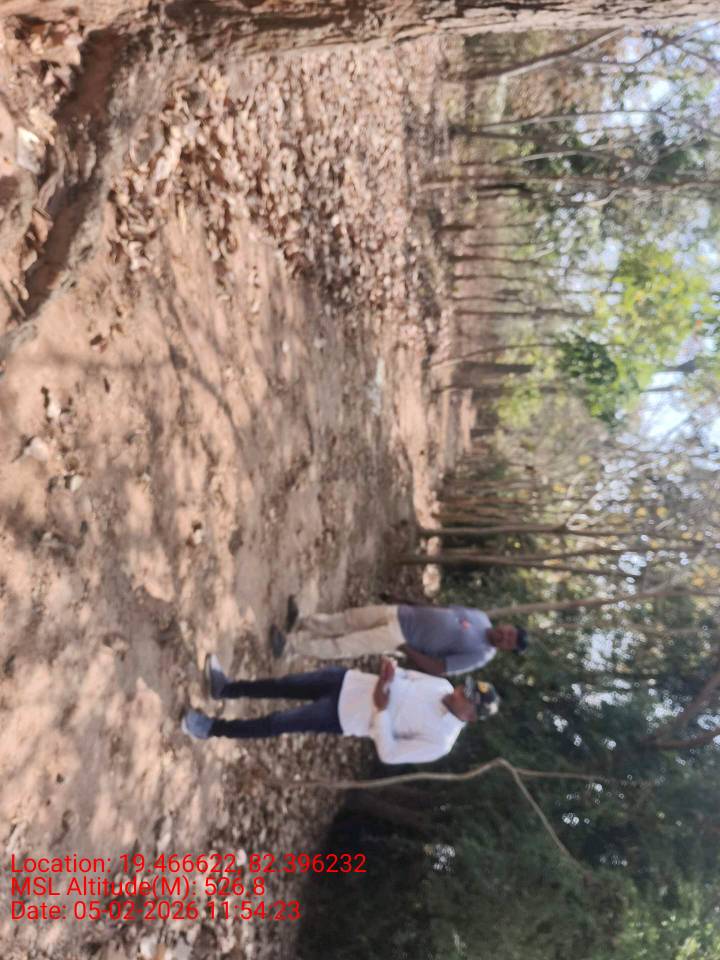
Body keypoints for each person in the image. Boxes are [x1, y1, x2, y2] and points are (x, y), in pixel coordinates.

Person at [181, 654, 500, 765]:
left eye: (468, 697)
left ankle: (211, 728)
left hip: (344, 715)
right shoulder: (442, 685)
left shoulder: (441, 742)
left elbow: (390, 754)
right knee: (282, 684)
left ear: (471, 716)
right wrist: (390, 670)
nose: (460, 691)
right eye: (466, 687)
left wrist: (382, 710)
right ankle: (226, 688)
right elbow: (405, 675)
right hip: (348, 681)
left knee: (277, 722)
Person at [270, 599, 528, 676]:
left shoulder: (480, 655)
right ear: (508, 626)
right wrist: (406, 601)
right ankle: (302, 621)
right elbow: (442, 611)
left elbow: (439, 668)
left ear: (507, 649)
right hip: (401, 613)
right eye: (510, 632)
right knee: (348, 619)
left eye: (509, 642)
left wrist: (405, 648)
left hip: (401, 638)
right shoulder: (481, 616)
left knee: (345, 645)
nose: (505, 637)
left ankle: (290, 647)